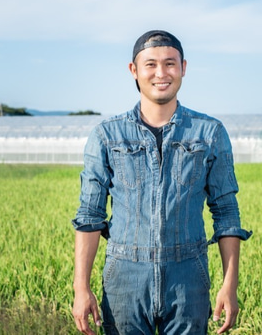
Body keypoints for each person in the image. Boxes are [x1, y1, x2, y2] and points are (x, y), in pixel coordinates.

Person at [72, 30, 252, 335]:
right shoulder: (106, 135)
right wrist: (81, 288)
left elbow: (226, 213)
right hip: (125, 277)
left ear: (183, 67)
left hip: (189, 277)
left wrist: (229, 286)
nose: (161, 73)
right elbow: (90, 216)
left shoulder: (209, 133)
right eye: (151, 64)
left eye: (170, 64)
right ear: (134, 70)